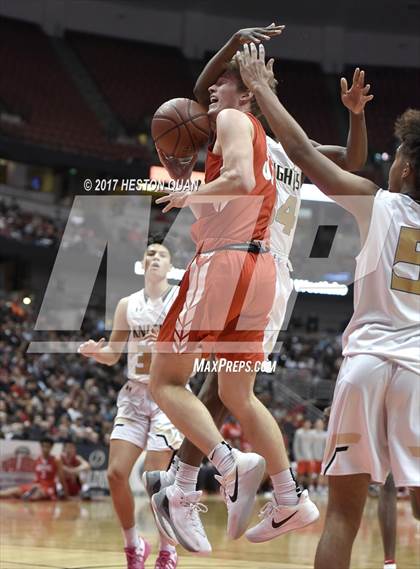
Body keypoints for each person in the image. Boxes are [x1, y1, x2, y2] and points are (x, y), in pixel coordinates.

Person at [144, 24, 372, 552]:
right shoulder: (247, 132)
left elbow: (354, 162)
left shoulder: (292, 149)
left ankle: (192, 482)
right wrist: (230, 46)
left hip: (256, 262)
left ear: (252, 92)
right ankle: (261, 489)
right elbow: (201, 95)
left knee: (212, 389)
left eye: (241, 84)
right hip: (257, 267)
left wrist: (356, 115)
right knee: (226, 390)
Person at [237, 42, 419, 569]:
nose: (394, 162)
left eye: (400, 155)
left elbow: (300, 152)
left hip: (366, 364)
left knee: (343, 514)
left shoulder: (377, 203)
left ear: (407, 170)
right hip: (417, 373)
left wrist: (264, 91)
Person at [78, 239, 182, 569]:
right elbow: (113, 353)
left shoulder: (180, 299)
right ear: (142, 264)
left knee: (156, 479)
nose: (155, 257)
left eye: (162, 255)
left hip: (168, 394)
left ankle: (168, 550)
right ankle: (134, 544)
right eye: (150, 253)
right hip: (135, 396)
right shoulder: (127, 304)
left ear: (170, 267)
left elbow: (198, 345)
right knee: (115, 473)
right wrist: (97, 353)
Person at [0, 438, 68, 501]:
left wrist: (66, 494)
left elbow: (61, 478)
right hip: (36, 485)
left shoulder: (56, 460)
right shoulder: (37, 460)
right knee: (10, 491)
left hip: (49, 487)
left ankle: (24, 496)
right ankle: (21, 495)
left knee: (36, 496)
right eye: (43, 446)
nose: (45, 449)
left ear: (51, 447)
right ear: (40, 447)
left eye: (47, 447)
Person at [293, 419, 314, 490]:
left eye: (309, 423)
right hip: (301, 457)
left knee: (310, 473)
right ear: (303, 423)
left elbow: (312, 445)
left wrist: (313, 456)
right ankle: (298, 486)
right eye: (306, 423)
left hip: (310, 457)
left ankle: (309, 487)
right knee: (300, 474)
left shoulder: (312, 433)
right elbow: (296, 445)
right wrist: (298, 456)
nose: (307, 425)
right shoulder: (299, 432)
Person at [311, 419, 328, 494]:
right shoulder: (312, 433)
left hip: (322, 457)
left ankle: (319, 487)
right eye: (318, 423)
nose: (319, 425)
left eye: (320, 424)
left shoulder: (325, 434)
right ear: (315, 425)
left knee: (321, 473)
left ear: (323, 425)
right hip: (312, 456)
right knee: (312, 474)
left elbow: (326, 446)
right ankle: (311, 487)